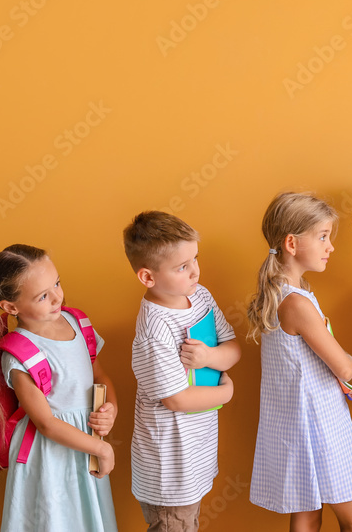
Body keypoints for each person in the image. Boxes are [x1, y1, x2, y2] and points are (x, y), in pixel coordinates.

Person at [0, 244, 118, 532]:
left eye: (56, 283)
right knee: (53, 522)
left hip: (85, 446)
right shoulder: (19, 353)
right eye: (43, 296)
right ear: (11, 307)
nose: (57, 297)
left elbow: (100, 376)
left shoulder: (77, 322)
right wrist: (101, 449)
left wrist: (111, 408)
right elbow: (45, 423)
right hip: (48, 457)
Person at [248, 192, 352, 532]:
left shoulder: (286, 296)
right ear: (292, 243)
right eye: (322, 237)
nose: (330, 246)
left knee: (307, 517)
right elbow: (344, 368)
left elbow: (320, 357)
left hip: (300, 427)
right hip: (322, 426)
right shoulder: (297, 305)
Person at [124, 211, 240, 532]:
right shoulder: (154, 329)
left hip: (195, 454)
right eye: (182, 267)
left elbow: (232, 350)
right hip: (169, 467)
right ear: (148, 277)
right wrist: (225, 392)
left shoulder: (200, 296)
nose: (195, 271)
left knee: (188, 525)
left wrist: (208, 356)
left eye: (194, 259)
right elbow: (176, 399)